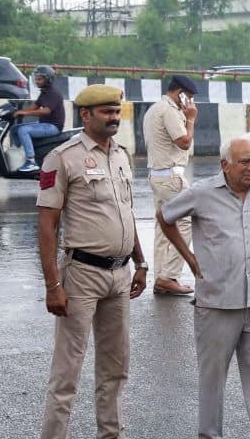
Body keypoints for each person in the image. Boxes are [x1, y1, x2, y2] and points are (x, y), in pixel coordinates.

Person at [158, 137, 250, 439]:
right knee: (213, 379)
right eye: (245, 161)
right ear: (225, 165)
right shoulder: (203, 193)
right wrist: (190, 258)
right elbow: (165, 216)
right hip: (217, 303)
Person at [36, 84, 149, 439]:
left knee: (116, 368)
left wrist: (142, 263)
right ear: (86, 115)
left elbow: (127, 215)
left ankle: (111, 435)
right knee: (67, 372)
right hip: (81, 274)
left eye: (116, 112)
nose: (114, 118)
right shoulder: (63, 157)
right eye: (106, 112)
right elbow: (47, 225)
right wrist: (53, 285)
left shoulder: (121, 155)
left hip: (120, 273)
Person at [143, 74, 198, 295]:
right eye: (189, 97)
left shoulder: (155, 108)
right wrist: (191, 119)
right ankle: (169, 276)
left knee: (162, 227)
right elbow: (184, 142)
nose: (191, 103)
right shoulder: (169, 111)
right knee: (185, 224)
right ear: (180, 93)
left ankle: (161, 278)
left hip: (157, 175)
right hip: (171, 178)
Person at [12, 65, 65, 172]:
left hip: (53, 126)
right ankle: (18, 155)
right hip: (44, 123)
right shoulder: (44, 92)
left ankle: (31, 161)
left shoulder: (53, 93)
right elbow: (36, 105)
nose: (36, 81)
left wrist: (25, 113)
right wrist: (18, 112)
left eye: (39, 79)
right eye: (36, 79)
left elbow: (46, 110)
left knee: (23, 130)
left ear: (48, 79)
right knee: (15, 129)